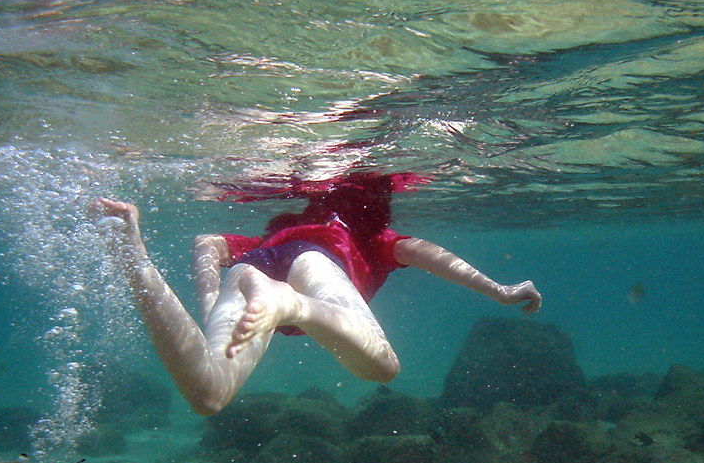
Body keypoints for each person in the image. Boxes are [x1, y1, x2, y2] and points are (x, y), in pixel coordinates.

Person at [96, 172, 542, 416]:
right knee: (382, 367)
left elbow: (206, 244)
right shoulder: (373, 239)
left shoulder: (270, 236)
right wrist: (500, 291)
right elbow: (425, 253)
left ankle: (134, 261)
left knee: (208, 395)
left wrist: (212, 309)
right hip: (312, 265)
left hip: (256, 267)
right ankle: (292, 303)